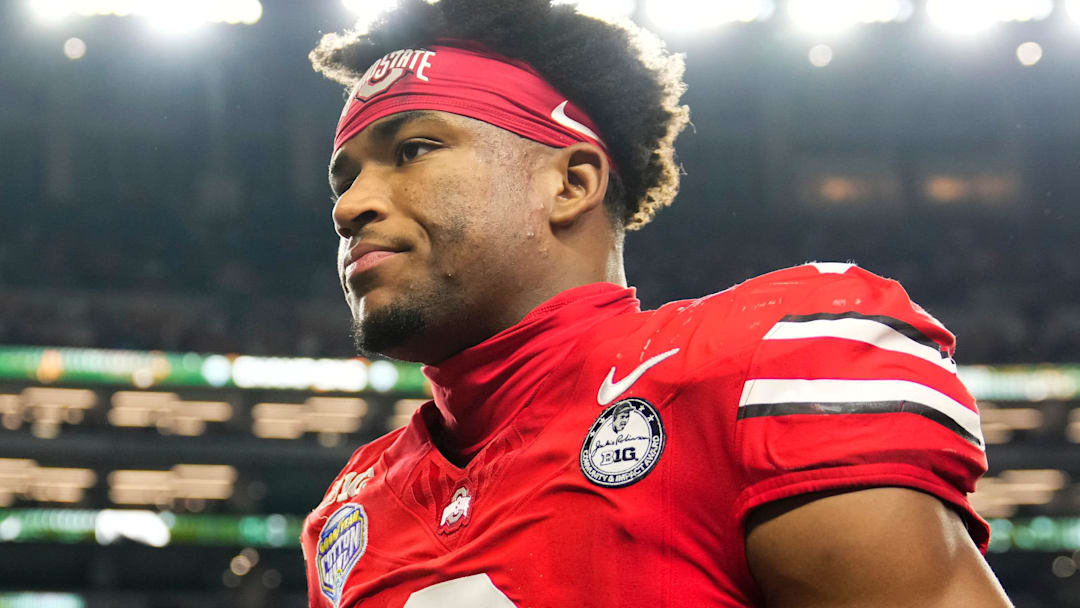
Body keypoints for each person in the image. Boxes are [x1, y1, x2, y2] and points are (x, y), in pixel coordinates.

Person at [300, 1, 1013, 606]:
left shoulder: (749, 370)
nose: (351, 207)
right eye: (344, 180)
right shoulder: (350, 511)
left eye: (415, 149)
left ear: (572, 183)